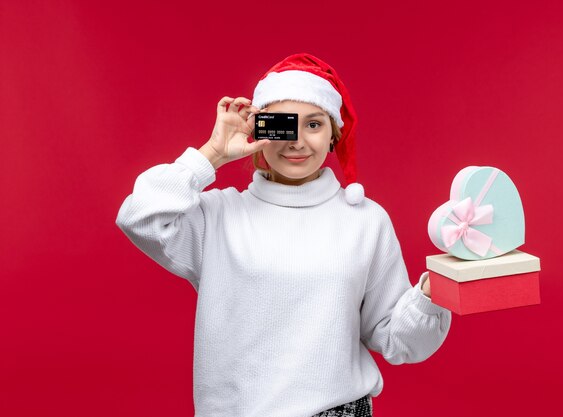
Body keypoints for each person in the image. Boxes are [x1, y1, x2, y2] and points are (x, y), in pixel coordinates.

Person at [115, 53, 452, 417]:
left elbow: (396, 339)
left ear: (333, 134)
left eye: (313, 125)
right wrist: (211, 153)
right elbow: (139, 217)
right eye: (284, 125)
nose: (297, 142)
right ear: (260, 130)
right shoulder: (219, 216)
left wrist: (431, 295)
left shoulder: (365, 220)